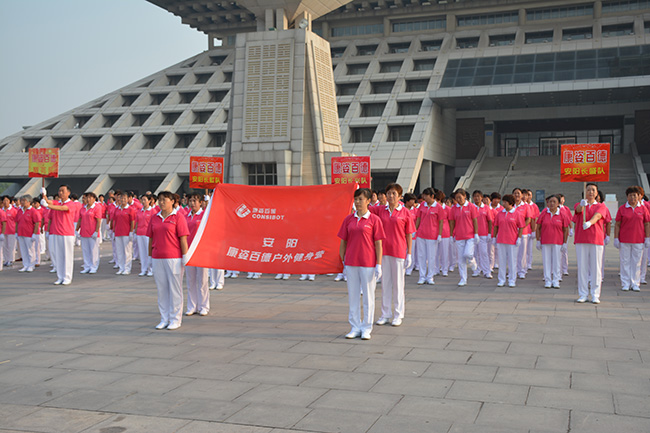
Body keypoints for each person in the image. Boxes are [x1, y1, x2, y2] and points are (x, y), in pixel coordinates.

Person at [338, 188, 385, 340]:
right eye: (356, 199)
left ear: (368, 201)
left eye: (361, 199)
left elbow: (378, 244)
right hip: (351, 262)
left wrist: (378, 264)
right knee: (353, 296)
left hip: (368, 263)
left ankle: (366, 328)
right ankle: (355, 327)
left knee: (368, 297)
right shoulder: (349, 219)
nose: (357, 202)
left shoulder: (374, 220)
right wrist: (343, 261)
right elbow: (343, 242)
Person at [371, 183, 414, 327]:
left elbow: (409, 234)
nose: (390, 196)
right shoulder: (380, 210)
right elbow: (365, 207)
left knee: (398, 285)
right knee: (385, 284)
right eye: (388, 193)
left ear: (400, 196)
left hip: (398, 251)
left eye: (394, 193)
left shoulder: (405, 212)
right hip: (383, 251)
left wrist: (409, 253)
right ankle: (385, 314)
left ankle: (398, 314)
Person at [148, 190, 189, 330]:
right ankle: (164, 318)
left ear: (172, 202)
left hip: (174, 258)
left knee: (174, 289)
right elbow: (151, 238)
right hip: (157, 257)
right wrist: (149, 257)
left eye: (164, 200)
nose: (161, 202)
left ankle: (175, 319)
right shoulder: (154, 217)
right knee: (162, 290)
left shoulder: (178, 217)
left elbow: (183, 238)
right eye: (159, 200)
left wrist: (185, 256)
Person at [574, 183, 607, 304]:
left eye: (593, 190)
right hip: (581, 239)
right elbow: (577, 211)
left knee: (596, 268)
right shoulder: (580, 204)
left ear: (597, 193)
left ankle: (595, 294)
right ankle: (583, 294)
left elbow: (598, 216)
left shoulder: (601, 206)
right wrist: (582, 205)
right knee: (582, 268)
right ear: (585, 192)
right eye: (588, 190)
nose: (591, 192)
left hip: (596, 239)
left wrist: (590, 223)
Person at [41, 185, 80, 285]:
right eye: (59, 191)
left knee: (67, 256)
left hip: (66, 233)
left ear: (68, 193)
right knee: (58, 256)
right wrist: (44, 194)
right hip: (56, 232)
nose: (60, 193)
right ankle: (60, 277)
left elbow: (62, 208)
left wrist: (47, 205)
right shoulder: (57, 202)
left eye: (63, 191)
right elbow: (49, 201)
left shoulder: (71, 204)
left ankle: (67, 277)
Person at [614, 186, 650, 292]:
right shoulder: (622, 209)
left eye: (635, 195)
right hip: (624, 239)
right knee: (625, 262)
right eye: (630, 195)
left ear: (639, 196)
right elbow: (617, 224)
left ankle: (635, 283)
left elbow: (647, 224)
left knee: (637, 262)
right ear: (627, 197)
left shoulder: (643, 209)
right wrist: (616, 238)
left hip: (638, 240)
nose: (633, 197)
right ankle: (625, 283)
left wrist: (647, 238)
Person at [535, 195, 570, 289]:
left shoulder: (562, 214)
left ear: (558, 203)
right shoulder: (544, 213)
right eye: (550, 201)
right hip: (545, 241)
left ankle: (556, 280)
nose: (552, 203)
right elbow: (538, 227)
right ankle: (547, 280)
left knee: (557, 262)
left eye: (554, 202)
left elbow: (565, 229)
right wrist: (538, 240)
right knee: (546, 261)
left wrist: (565, 242)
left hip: (557, 242)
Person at [185, 193, 210, 316]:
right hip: (188, 251)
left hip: (201, 251)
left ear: (201, 203)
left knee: (202, 280)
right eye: (191, 201)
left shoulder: (205, 215)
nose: (192, 203)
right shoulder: (186, 216)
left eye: (195, 201)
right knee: (191, 280)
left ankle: (204, 306)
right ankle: (192, 306)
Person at [449, 189, 479, 287]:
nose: (458, 199)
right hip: (459, 236)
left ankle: (472, 261)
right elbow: (452, 222)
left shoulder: (471, 206)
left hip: (470, 235)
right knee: (461, 259)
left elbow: (475, 221)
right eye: (456, 198)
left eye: (460, 197)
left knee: (468, 254)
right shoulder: (454, 208)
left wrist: (476, 233)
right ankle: (463, 279)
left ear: (464, 196)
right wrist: (451, 235)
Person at [493, 194, 524, 288]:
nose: (503, 204)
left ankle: (512, 280)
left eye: (505, 202)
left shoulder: (517, 214)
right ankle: (501, 280)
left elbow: (521, 227)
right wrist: (494, 237)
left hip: (512, 241)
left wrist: (519, 238)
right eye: (503, 202)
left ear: (510, 203)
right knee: (501, 261)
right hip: (501, 240)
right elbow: (496, 226)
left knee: (512, 261)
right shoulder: (500, 213)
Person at [415, 187, 443, 285]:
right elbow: (418, 218)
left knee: (431, 257)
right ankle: (422, 277)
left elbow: (441, 222)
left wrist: (439, 234)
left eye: (426, 196)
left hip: (432, 235)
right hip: (421, 234)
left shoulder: (438, 207)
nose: (424, 197)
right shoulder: (422, 205)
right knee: (421, 256)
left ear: (432, 196)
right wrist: (415, 230)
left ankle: (430, 277)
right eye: (424, 195)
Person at [76, 192, 102, 274]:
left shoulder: (96, 207)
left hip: (92, 233)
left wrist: (96, 231)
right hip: (84, 232)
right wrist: (77, 230)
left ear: (94, 199)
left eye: (90, 198)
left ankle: (94, 266)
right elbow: (80, 219)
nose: (88, 199)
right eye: (87, 197)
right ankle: (87, 266)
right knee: (85, 251)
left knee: (94, 251)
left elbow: (98, 220)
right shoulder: (83, 208)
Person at [111, 191, 136, 275]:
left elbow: (132, 221)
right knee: (119, 251)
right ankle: (121, 268)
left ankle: (127, 268)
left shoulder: (130, 209)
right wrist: (113, 231)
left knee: (127, 252)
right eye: (121, 198)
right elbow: (114, 221)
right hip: (118, 233)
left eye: (124, 198)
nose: (123, 200)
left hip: (126, 233)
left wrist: (131, 232)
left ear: (128, 199)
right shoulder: (117, 209)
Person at [16, 194, 41, 273]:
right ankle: (25, 265)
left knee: (30, 250)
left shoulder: (33, 211)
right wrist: (16, 232)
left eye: (24, 201)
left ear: (29, 202)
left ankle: (31, 265)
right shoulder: (20, 210)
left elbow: (37, 223)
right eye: (21, 201)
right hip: (21, 233)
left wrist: (34, 234)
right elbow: (17, 222)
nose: (22, 202)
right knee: (23, 250)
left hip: (29, 234)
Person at [472, 190, 494, 279]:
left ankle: (487, 271)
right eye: (475, 196)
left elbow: (490, 221)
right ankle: (477, 270)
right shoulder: (471, 207)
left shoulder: (486, 208)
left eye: (478, 196)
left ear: (481, 198)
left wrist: (489, 233)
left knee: (484, 253)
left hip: (483, 234)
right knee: (475, 253)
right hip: (473, 234)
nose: (477, 198)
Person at [512, 188, 532, 279]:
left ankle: (521, 271)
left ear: (521, 195)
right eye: (515, 193)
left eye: (518, 193)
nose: (517, 195)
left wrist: (522, 227)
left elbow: (528, 218)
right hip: (511, 233)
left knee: (522, 253)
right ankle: (513, 270)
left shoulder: (526, 206)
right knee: (512, 253)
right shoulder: (510, 205)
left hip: (523, 232)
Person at [135, 193, 156, 277]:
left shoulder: (152, 211)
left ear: (149, 201)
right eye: (142, 200)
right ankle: (143, 269)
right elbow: (137, 222)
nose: (143, 201)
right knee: (142, 252)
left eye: (145, 200)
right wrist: (135, 232)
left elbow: (154, 223)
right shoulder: (139, 211)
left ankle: (151, 269)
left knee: (148, 252)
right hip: (140, 233)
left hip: (148, 234)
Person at [557, 193, 573, 276]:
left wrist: (571, 228)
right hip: (557, 232)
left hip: (565, 231)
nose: (561, 200)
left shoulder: (566, 209)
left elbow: (569, 219)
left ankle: (564, 268)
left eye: (562, 199)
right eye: (560, 199)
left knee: (564, 251)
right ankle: (556, 268)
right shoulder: (554, 208)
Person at [1, 196, 18, 268]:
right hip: (3, 231)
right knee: (4, 246)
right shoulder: (1, 210)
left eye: (7, 200)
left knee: (11, 246)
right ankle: (6, 260)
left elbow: (16, 221)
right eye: (4, 201)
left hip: (11, 230)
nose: (5, 202)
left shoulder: (13, 210)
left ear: (9, 201)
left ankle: (11, 259)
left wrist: (16, 230)